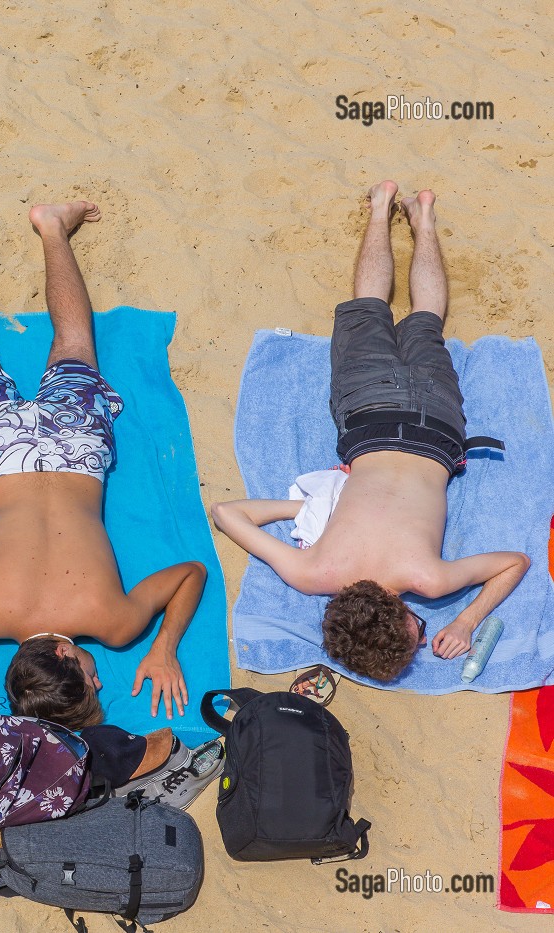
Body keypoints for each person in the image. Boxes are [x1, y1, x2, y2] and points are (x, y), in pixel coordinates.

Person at [0, 201, 208, 731]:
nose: (100, 678)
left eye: (91, 681)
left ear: (63, 658)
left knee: (74, 344)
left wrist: (164, 647)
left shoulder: (114, 624)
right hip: (3, 454)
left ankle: (54, 228)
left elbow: (190, 575)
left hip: (77, 452)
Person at [211, 182, 530, 681]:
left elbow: (514, 562)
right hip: (371, 418)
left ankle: (422, 216)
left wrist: (468, 619)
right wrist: (319, 509)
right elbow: (227, 513)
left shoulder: (428, 579)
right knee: (367, 308)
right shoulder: (313, 573)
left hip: (438, 430)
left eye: (415, 630)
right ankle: (382, 205)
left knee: (425, 322)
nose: (423, 628)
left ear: (400, 613)